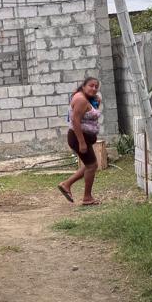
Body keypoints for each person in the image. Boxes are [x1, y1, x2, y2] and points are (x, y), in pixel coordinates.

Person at [58, 76, 102, 205]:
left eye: (96, 87)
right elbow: (75, 121)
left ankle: (67, 184)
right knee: (92, 166)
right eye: (91, 85)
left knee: (89, 165)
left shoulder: (86, 98)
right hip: (78, 138)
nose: (94, 88)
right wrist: (82, 142)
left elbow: (88, 115)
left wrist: (96, 102)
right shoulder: (81, 99)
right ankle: (87, 197)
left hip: (83, 138)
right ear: (83, 86)